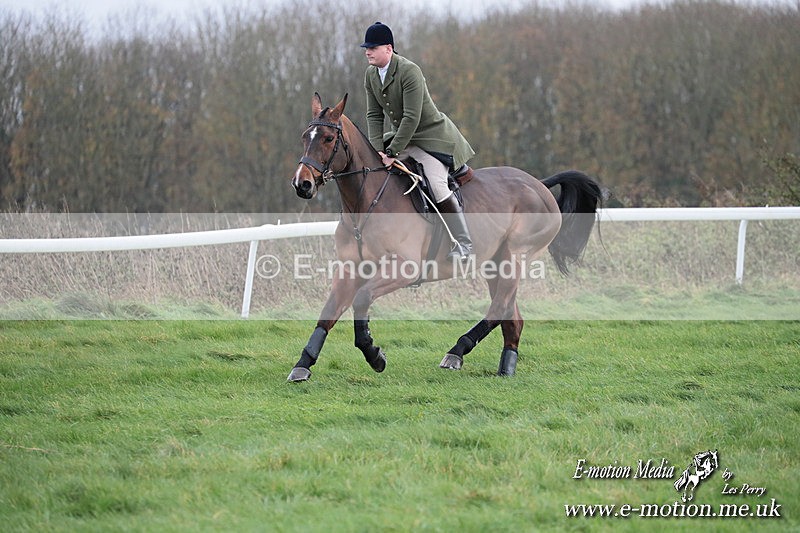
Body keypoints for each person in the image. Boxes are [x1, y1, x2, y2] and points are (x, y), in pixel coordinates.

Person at [361, 22, 475, 260]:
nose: (367, 51)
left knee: (436, 184)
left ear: (389, 49)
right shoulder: (371, 75)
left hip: (430, 138)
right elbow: (373, 115)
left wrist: (391, 152)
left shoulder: (409, 71)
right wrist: (377, 150)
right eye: (366, 47)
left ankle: (464, 244)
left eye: (373, 47)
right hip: (401, 139)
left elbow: (411, 118)